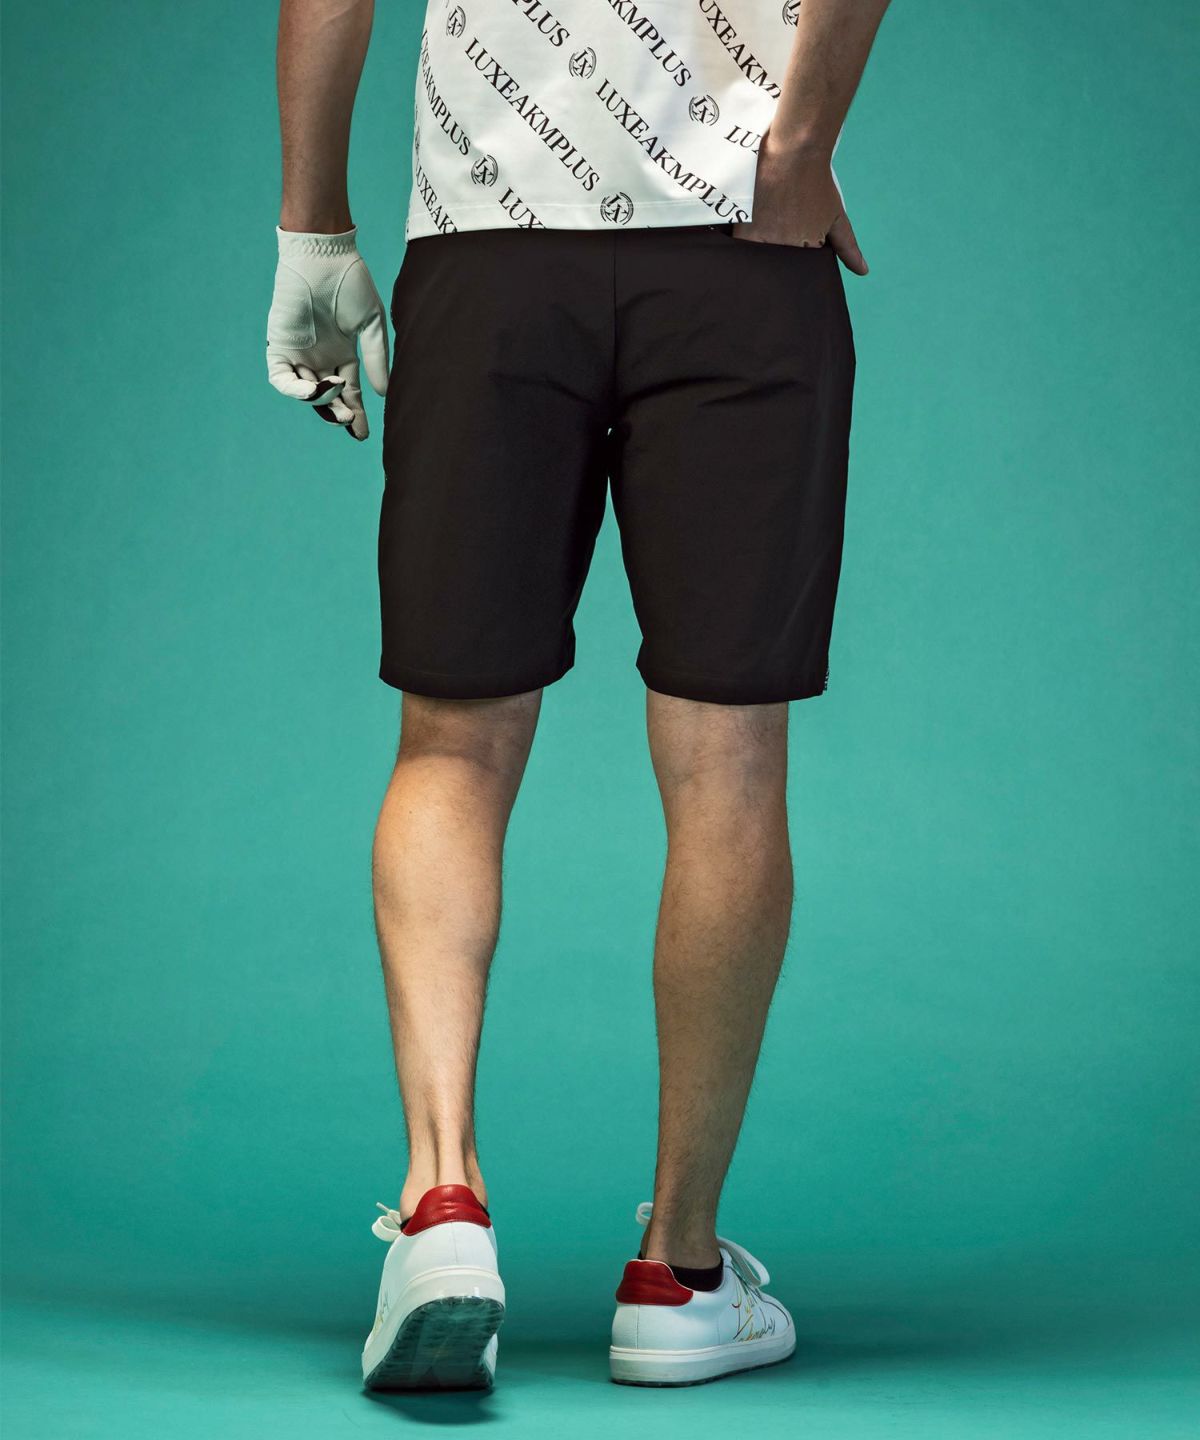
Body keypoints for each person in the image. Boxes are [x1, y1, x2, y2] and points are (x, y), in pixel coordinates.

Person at [267, 0, 890, 1392]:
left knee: (452, 744)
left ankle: (442, 1208)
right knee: (727, 761)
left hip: (488, 244)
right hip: (738, 247)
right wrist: (798, 149)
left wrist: (313, 226)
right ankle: (679, 1275)